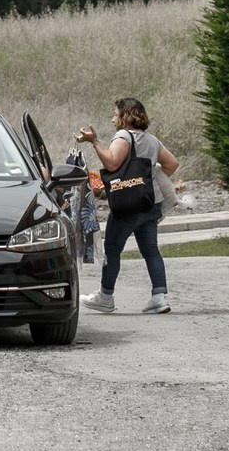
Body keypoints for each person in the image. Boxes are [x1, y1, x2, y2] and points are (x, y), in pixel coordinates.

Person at [75, 97, 177, 314]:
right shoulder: (152, 140)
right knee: (150, 250)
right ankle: (159, 297)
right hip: (148, 204)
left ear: (125, 115)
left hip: (127, 205)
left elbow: (111, 162)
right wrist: (146, 180)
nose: (113, 119)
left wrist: (95, 142)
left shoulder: (123, 136)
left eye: (115, 114)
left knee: (112, 250)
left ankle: (105, 296)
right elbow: (171, 164)